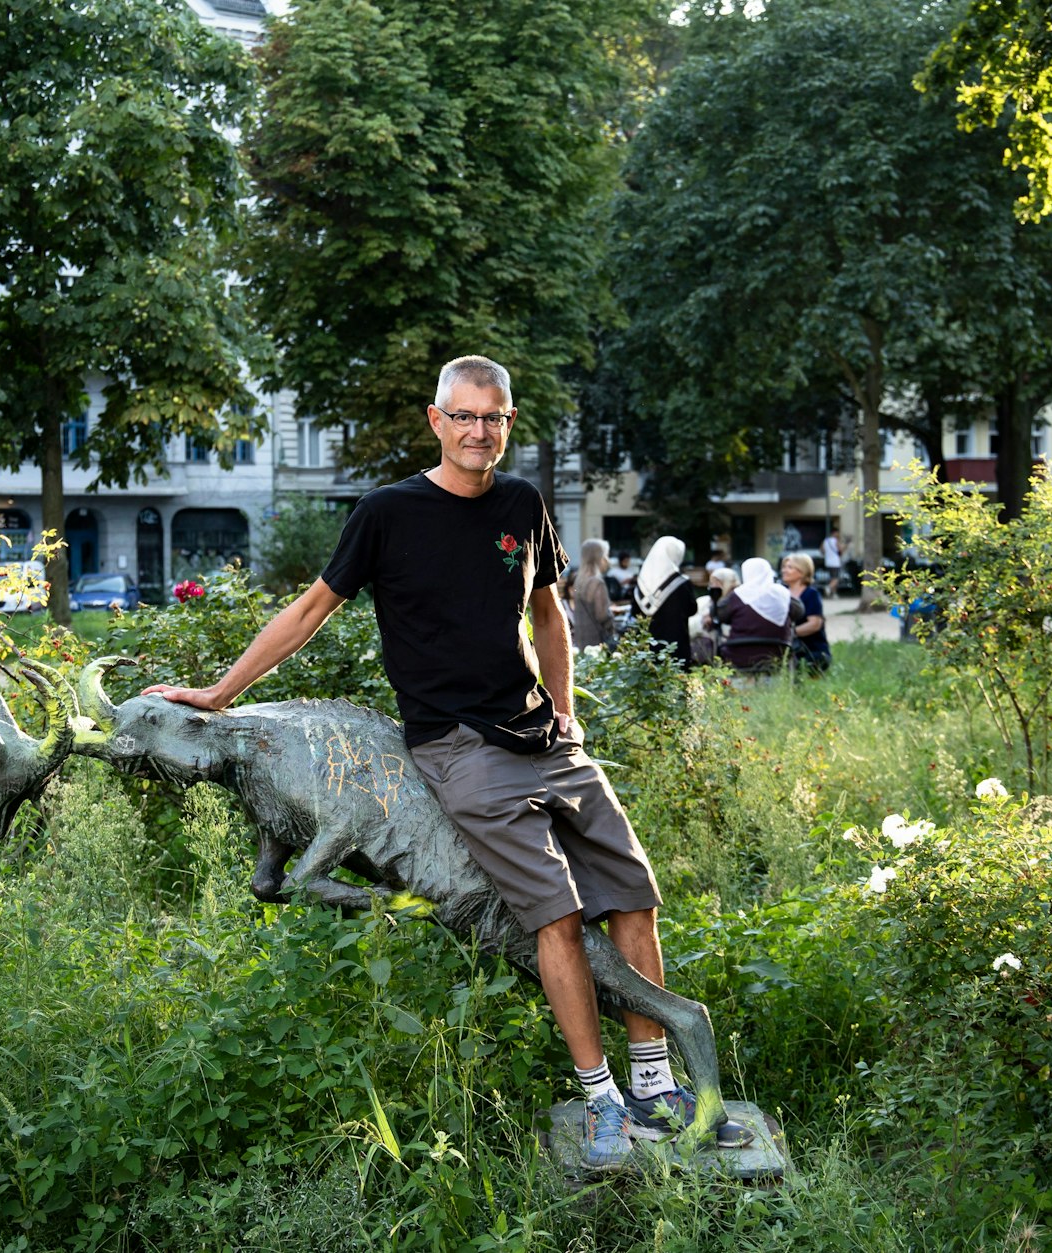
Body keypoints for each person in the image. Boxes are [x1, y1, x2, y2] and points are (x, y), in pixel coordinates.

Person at [143, 355, 738, 1170]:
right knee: (554, 917)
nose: (477, 431)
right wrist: (218, 692)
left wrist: (566, 709)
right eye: (463, 417)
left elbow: (550, 613)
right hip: (460, 748)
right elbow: (312, 607)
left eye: (492, 418)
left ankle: (654, 1082)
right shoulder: (388, 512)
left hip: (546, 738)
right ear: (437, 420)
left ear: (508, 422)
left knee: (634, 896)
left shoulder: (524, 504)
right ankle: (601, 1094)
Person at [716, 557, 805, 672]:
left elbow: (720, 615)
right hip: (777, 657)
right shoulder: (782, 594)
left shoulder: (737, 596)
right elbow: (799, 612)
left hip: (739, 657)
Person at [634, 536, 701, 669]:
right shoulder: (681, 583)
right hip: (677, 643)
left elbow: (635, 612)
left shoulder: (642, 583)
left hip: (648, 645)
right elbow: (692, 609)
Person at [780, 552, 832, 674]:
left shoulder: (811, 594)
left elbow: (814, 624)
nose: (784, 571)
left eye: (790, 567)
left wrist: (790, 633)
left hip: (812, 652)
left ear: (802, 571)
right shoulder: (781, 593)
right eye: (784, 567)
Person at [571, 539, 617, 651]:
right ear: (600, 557)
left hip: (581, 640)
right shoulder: (597, 583)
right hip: (597, 642)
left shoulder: (579, 581)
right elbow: (602, 616)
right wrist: (612, 627)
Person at [822, 527, 845, 596]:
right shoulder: (835, 541)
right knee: (836, 579)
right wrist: (845, 546)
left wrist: (828, 555)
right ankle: (828, 587)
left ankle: (834, 593)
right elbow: (841, 550)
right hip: (835, 562)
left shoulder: (825, 541)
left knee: (832, 578)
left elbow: (822, 550)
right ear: (835, 533)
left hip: (828, 562)